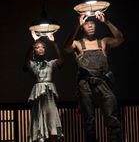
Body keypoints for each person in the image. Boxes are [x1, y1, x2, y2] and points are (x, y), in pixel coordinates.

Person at [63, 11, 124, 142]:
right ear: (82, 27)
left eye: (92, 24)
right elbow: (66, 47)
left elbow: (120, 39)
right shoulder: (78, 44)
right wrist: (76, 26)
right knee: (88, 119)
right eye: (87, 24)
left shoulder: (103, 42)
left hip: (103, 81)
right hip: (85, 84)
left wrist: (106, 22)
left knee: (112, 116)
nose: (90, 26)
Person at [23, 31, 64, 142]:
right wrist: (34, 41)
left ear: (45, 49)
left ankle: (53, 138)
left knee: (52, 118)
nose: (40, 49)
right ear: (34, 50)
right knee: (38, 116)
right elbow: (26, 62)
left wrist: (54, 43)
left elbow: (61, 61)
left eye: (43, 47)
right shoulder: (33, 64)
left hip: (49, 92)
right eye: (37, 47)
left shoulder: (50, 63)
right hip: (38, 92)